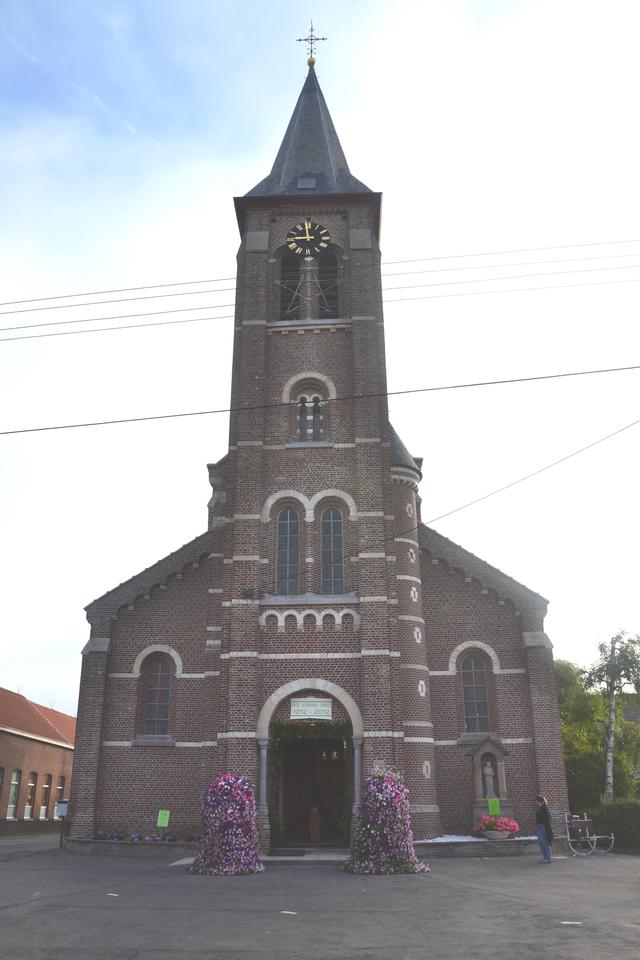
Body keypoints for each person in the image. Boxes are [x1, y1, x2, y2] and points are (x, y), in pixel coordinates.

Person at [535, 795, 553, 863]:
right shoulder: (541, 808)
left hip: (543, 827)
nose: (536, 803)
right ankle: (545, 857)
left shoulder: (544, 808)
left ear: (539, 801)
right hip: (540, 827)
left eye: (536, 801)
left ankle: (548, 858)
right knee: (540, 842)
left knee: (545, 842)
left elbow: (548, 817)